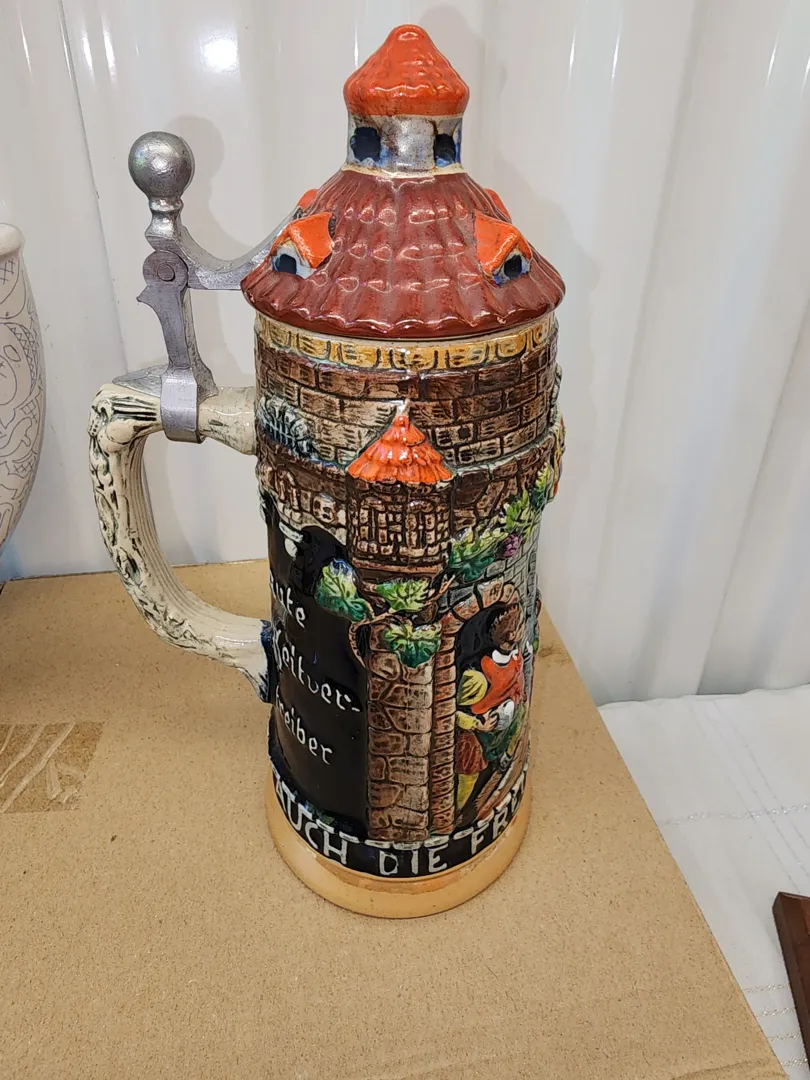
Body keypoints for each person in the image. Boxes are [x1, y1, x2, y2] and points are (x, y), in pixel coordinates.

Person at [455, 602, 526, 814]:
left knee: (520, 716)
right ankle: (460, 809)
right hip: (477, 730)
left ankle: (505, 762)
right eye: (516, 628)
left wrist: (511, 704)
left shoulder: (516, 659)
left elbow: (518, 687)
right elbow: (453, 712)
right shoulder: (477, 676)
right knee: (470, 760)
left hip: (502, 723)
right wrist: (478, 724)